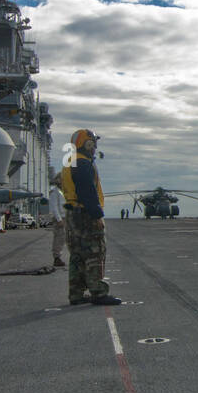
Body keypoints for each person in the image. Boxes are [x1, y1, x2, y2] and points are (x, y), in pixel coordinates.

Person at [60, 129, 121, 306]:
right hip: (86, 214)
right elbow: (88, 192)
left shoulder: (70, 162)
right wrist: (97, 216)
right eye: (93, 143)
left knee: (77, 254)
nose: (94, 147)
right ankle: (98, 292)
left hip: (73, 214)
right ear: (86, 144)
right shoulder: (83, 164)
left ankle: (76, 293)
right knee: (95, 251)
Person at [48, 173, 67, 267]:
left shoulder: (64, 191)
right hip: (60, 218)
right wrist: (59, 219)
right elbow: (54, 207)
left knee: (65, 238)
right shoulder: (54, 192)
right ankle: (57, 257)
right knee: (59, 238)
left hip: (67, 217)